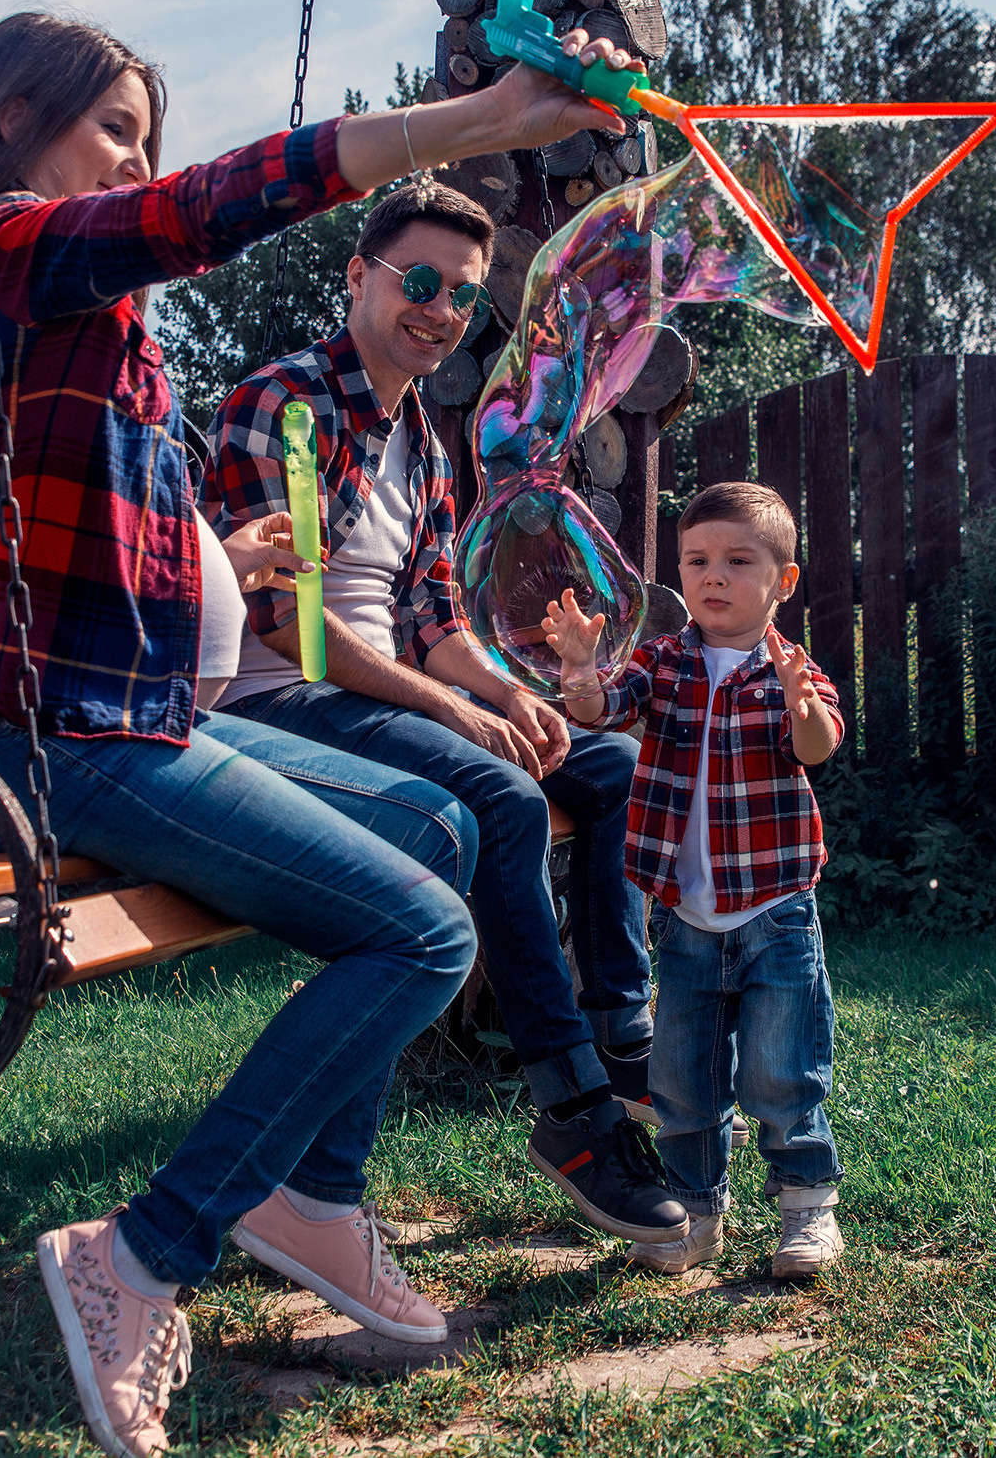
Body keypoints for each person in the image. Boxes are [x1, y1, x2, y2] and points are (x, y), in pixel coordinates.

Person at [0, 10, 645, 1458]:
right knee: (421, 930)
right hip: (31, 740)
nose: (137, 164)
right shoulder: (4, 257)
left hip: (126, 719)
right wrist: (476, 119)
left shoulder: (73, 321)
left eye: (145, 140)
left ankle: (319, 1199)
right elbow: (216, 205)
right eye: (114, 130)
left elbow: (122, 548)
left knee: (455, 822)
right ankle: (146, 1252)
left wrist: (222, 552)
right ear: (13, 120)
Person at [206, 179, 684, 1247]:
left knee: (609, 773)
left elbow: (428, 613)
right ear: (357, 278)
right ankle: (570, 1112)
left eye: (464, 298)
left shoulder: (420, 433)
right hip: (280, 704)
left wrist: (509, 692)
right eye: (419, 282)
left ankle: (622, 1036)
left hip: (378, 693)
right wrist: (459, 717)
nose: (440, 311)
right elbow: (299, 628)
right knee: (505, 801)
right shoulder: (285, 406)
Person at [542, 481, 848, 1279]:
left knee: (781, 1071)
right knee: (681, 1079)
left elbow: (816, 745)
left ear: (782, 581)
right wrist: (580, 668)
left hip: (775, 912)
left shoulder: (791, 669)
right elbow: (606, 708)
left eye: (738, 561)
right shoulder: (665, 658)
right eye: (697, 560)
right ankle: (694, 1215)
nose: (714, 576)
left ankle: (807, 1209)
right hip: (683, 916)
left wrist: (797, 701)